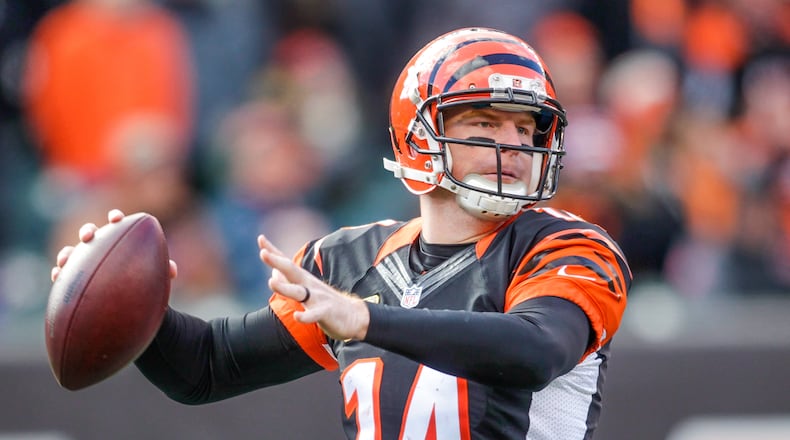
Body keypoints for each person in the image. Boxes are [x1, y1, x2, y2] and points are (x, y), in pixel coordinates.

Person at [51, 28, 630, 439]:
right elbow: (205, 368)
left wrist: (367, 320)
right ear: (419, 137)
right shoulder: (354, 259)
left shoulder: (565, 246)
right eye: (484, 123)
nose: (512, 146)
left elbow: (536, 350)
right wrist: (129, 302)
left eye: (526, 128)